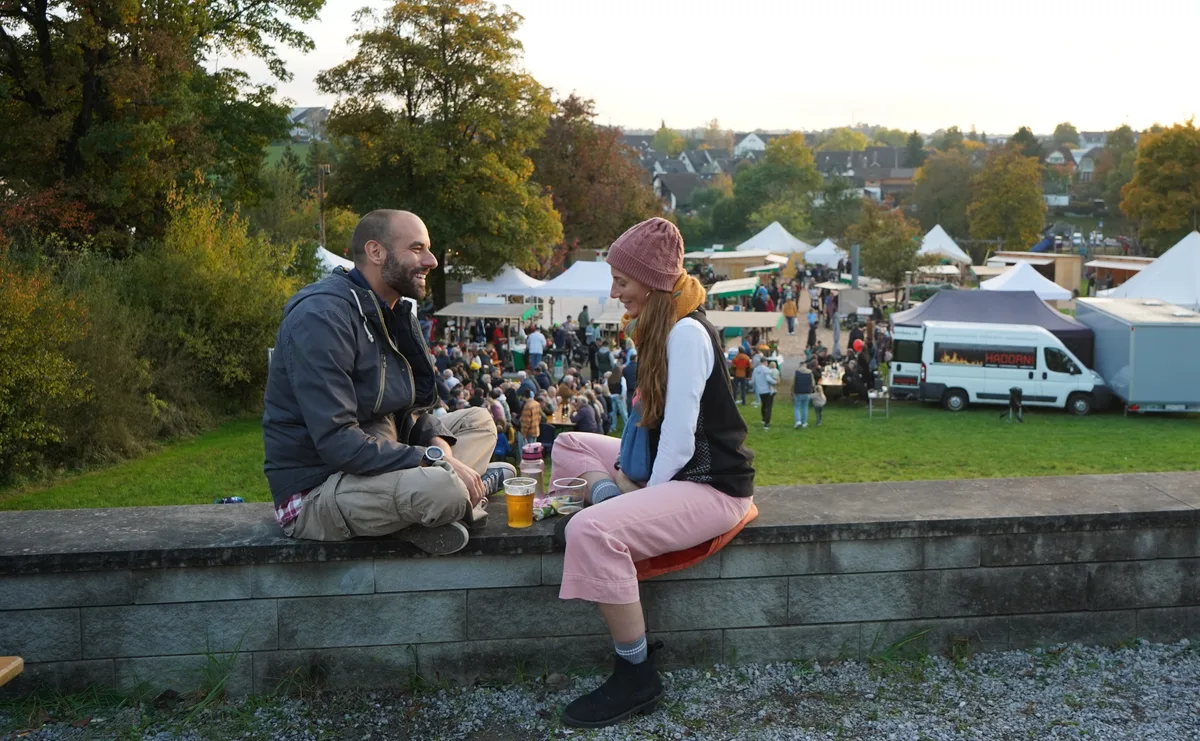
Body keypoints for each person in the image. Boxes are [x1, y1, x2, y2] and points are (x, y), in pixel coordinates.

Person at [548, 218, 755, 728]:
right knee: (569, 441)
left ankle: (635, 672)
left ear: (653, 280)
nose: (614, 291)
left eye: (622, 280)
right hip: (679, 471)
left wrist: (633, 501)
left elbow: (682, 440)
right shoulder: (665, 327)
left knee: (588, 529)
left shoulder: (686, 332)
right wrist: (622, 488)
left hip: (710, 486)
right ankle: (607, 495)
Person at [262, 210, 515, 554]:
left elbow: (407, 409)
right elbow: (336, 442)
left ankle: (443, 506)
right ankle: (460, 495)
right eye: (417, 249)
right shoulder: (322, 318)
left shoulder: (390, 312)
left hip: (378, 458)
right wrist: (433, 458)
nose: (431, 261)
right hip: (321, 487)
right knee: (442, 490)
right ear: (376, 252)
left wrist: (439, 448)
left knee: (479, 422)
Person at [751, 356, 777, 429]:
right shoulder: (766, 369)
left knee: (764, 405)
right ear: (765, 362)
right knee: (768, 407)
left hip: (760, 390)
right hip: (768, 390)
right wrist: (775, 382)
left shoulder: (755, 370)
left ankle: (763, 419)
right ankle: (767, 423)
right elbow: (768, 379)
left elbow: (753, 380)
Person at [793, 360, 815, 428]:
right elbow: (813, 384)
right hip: (807, 392)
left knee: (797, 407)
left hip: (798, 392)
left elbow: (794, 383)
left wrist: (792, 391)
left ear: (800, 365)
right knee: (805, 407)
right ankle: (804, 422)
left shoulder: (797, 372)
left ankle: (798, 421)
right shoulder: (810, 372)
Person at [605, 368, 628, 434]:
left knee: (612, 412)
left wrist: (609, 394)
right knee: (623, 412)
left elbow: (605, 386)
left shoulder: (609, 378)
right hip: (619, 396)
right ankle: (626, 425)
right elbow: (624, 387)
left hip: (611, 396)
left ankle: (613, 426)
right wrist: (623, 396)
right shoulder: (621, 378)